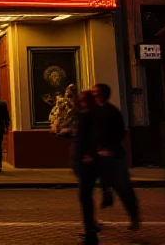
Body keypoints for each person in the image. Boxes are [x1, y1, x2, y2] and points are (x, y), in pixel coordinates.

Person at [92, 83, 140, 231]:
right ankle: (103, 204)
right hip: (100, 155)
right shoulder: (94, 112)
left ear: (102, 95)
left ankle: (134, 216)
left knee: (122, 186)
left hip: (113, 155)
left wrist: (108, 148)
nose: (94, 96)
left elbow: (120, 132)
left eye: (96, 94)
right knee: (96, 185)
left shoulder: (111, 111)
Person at [73, 90, 101, 245]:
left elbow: (90, 137)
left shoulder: (88, 116)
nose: (81, 102)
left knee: (85, 197)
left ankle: (90, 232)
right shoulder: (87, 115)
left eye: (84, 99)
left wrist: (89, 154)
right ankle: (91, 228)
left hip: (87, 163)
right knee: (86, 197)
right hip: (84, 162)